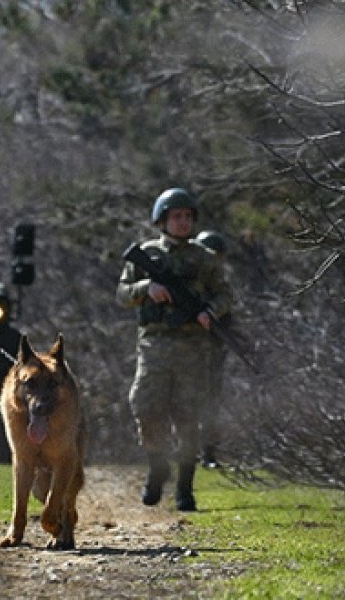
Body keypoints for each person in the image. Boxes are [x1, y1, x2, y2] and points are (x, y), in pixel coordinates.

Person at [116, 188, 232, 512]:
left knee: (187, 417)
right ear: (163, 220)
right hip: (154, 343)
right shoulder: (147, 253)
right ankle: (157, 466)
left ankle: (184, 488)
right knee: (145, 406)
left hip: (193, 346)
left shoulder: (204, 259)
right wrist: (146, 289)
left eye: (187, 217)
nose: (182, 222)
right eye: (176, 216)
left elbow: (225, 295)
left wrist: (211, 312)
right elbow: (122, 293)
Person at [192, 230, 230, 469]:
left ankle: (208, 452)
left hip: (212, 352)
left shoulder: (219, 288)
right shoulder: (190, 284)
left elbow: (228, 316)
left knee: (210, 403)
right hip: (186, 351)